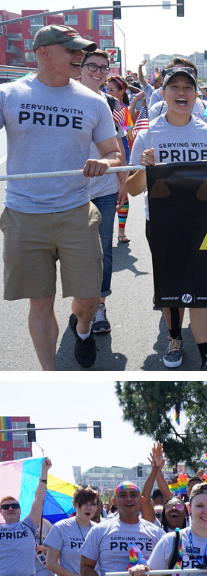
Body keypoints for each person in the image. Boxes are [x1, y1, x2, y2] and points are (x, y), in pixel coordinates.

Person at [0, 25, 123, 370]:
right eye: (71, 50)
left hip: (75, 212)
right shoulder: (9, 94)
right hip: (23, 215)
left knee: (88, 298)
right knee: (41, 303)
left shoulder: (93, 101)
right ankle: (49, 374)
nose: (79, 57)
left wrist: (105, 162)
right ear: (44, 53)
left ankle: (82, 329)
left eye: (80, 51)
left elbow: (114, 154)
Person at [128, 65, 207, 370]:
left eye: (188, 88)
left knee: (201, 291)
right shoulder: (147, 135)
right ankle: (174, 340)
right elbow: (132, 190)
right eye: (175, 87)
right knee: (171, 289)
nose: (181, 93)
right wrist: (146, 170)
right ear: (163, 93)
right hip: (162, 224)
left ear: (196, 95)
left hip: (202, 224)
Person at [76, 48, 126, 337]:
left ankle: (100, 308)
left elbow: (118, 150)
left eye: (103, 68)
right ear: (79, 68)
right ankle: (82, 306)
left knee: (103, 252)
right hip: (72, 192)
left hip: (105, 190)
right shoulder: (65, 97)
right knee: (77, 254)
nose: (97, 72)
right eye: (92, 66)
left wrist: (122, 185)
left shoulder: (112, 104)